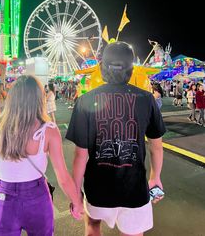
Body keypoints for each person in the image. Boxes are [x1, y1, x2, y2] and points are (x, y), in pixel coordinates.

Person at [66, 41, 166, 236]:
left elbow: (80, 155)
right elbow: (156, 147)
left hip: (97, 189)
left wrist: (76, 192)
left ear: (103, 67)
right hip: (135, 189)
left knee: (92, 226)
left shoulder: (85, 100)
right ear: (131, 69)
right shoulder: (147, 99)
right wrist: (155, 177)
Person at [0, 75, 83, 236]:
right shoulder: (48, 130)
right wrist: (77, 202)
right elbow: (63, 177)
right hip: (36, 196)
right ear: (39, 99)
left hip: (3, 197)